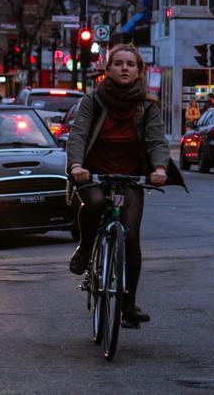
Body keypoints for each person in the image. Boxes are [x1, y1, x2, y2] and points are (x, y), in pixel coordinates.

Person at [65, 44, 170, 326]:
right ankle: (86, 248)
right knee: (96, 202)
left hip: (131, 175)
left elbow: (157, 140)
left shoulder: (148, 106)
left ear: (139, 71)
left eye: (130, 64)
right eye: (119, 63)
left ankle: (128, 304)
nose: (125, 68)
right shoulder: (93, 100)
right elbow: (79, 133)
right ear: (108, 69)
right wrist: (77, 166)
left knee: (131, 235)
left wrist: (159, 168)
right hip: (93, 172)